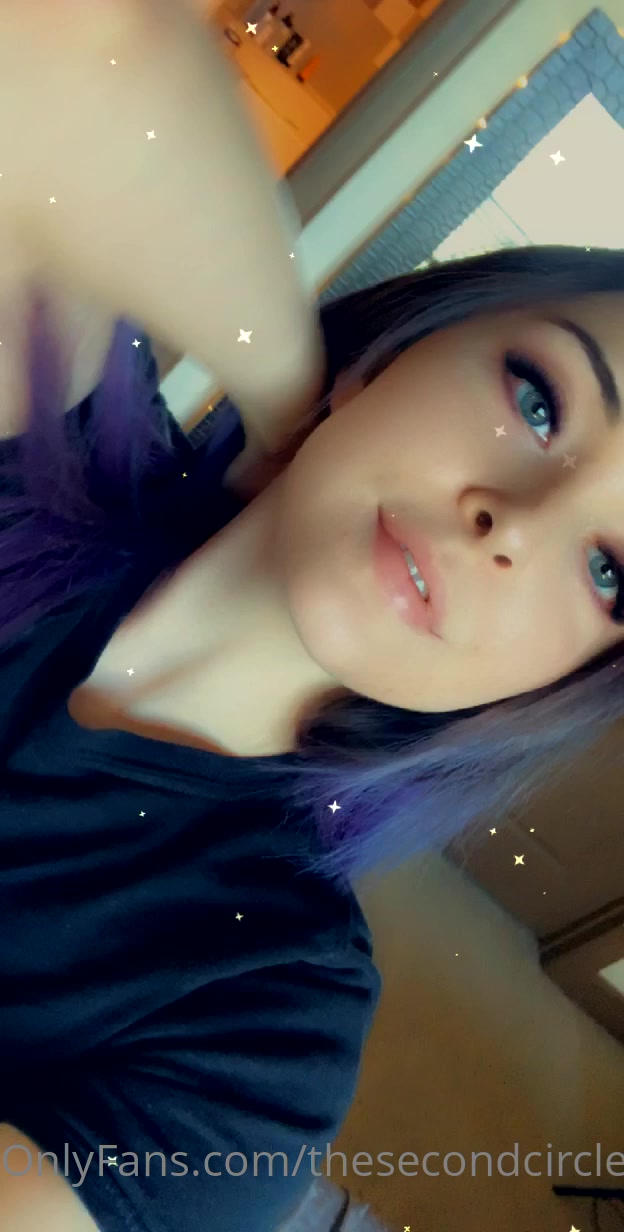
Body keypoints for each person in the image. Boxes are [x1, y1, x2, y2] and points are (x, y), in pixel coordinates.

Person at [2, 242, 624, 1232]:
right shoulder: (51, 422)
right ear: (397, 351)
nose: (513, 528)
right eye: (540, 402)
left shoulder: (272, 1016)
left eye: (607, 572)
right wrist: (285, 380)